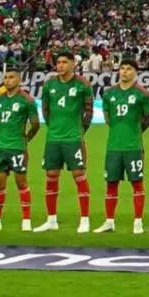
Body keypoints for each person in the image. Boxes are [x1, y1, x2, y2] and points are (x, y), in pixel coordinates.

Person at [34, 50, 93, 234]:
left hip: (73, 138)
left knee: (79, 176)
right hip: (53, 139)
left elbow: (88, 110)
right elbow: (45, 108)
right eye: (58, 62)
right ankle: (51, 220)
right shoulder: (49, 84)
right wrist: (53, 127)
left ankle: (84, 219)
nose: (60, 65)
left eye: (64, 62)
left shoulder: (82, 84)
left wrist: (80, 130)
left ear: (73, 63)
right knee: (51, 176)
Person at [94, 57, 149, 235]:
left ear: (135, 72)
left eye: (128, 68)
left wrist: (134, 132)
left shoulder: (142, 94)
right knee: (111, 184)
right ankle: (109, 221)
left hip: (133, 147)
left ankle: (138, 222)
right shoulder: (109, 93)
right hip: (113, 146)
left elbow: (148, 119)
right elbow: (107, 117)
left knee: (137, 184)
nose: (124, 71)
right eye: (122, 68)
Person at [0, 63, 40, 232]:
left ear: (19, 79)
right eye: (5, 78)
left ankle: (26, 219)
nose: (7, 81)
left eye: (11, 77)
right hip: (0, 148)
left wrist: (26, 139)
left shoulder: (27, 100)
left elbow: (35, 124)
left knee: (21, 181)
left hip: (17, 148)